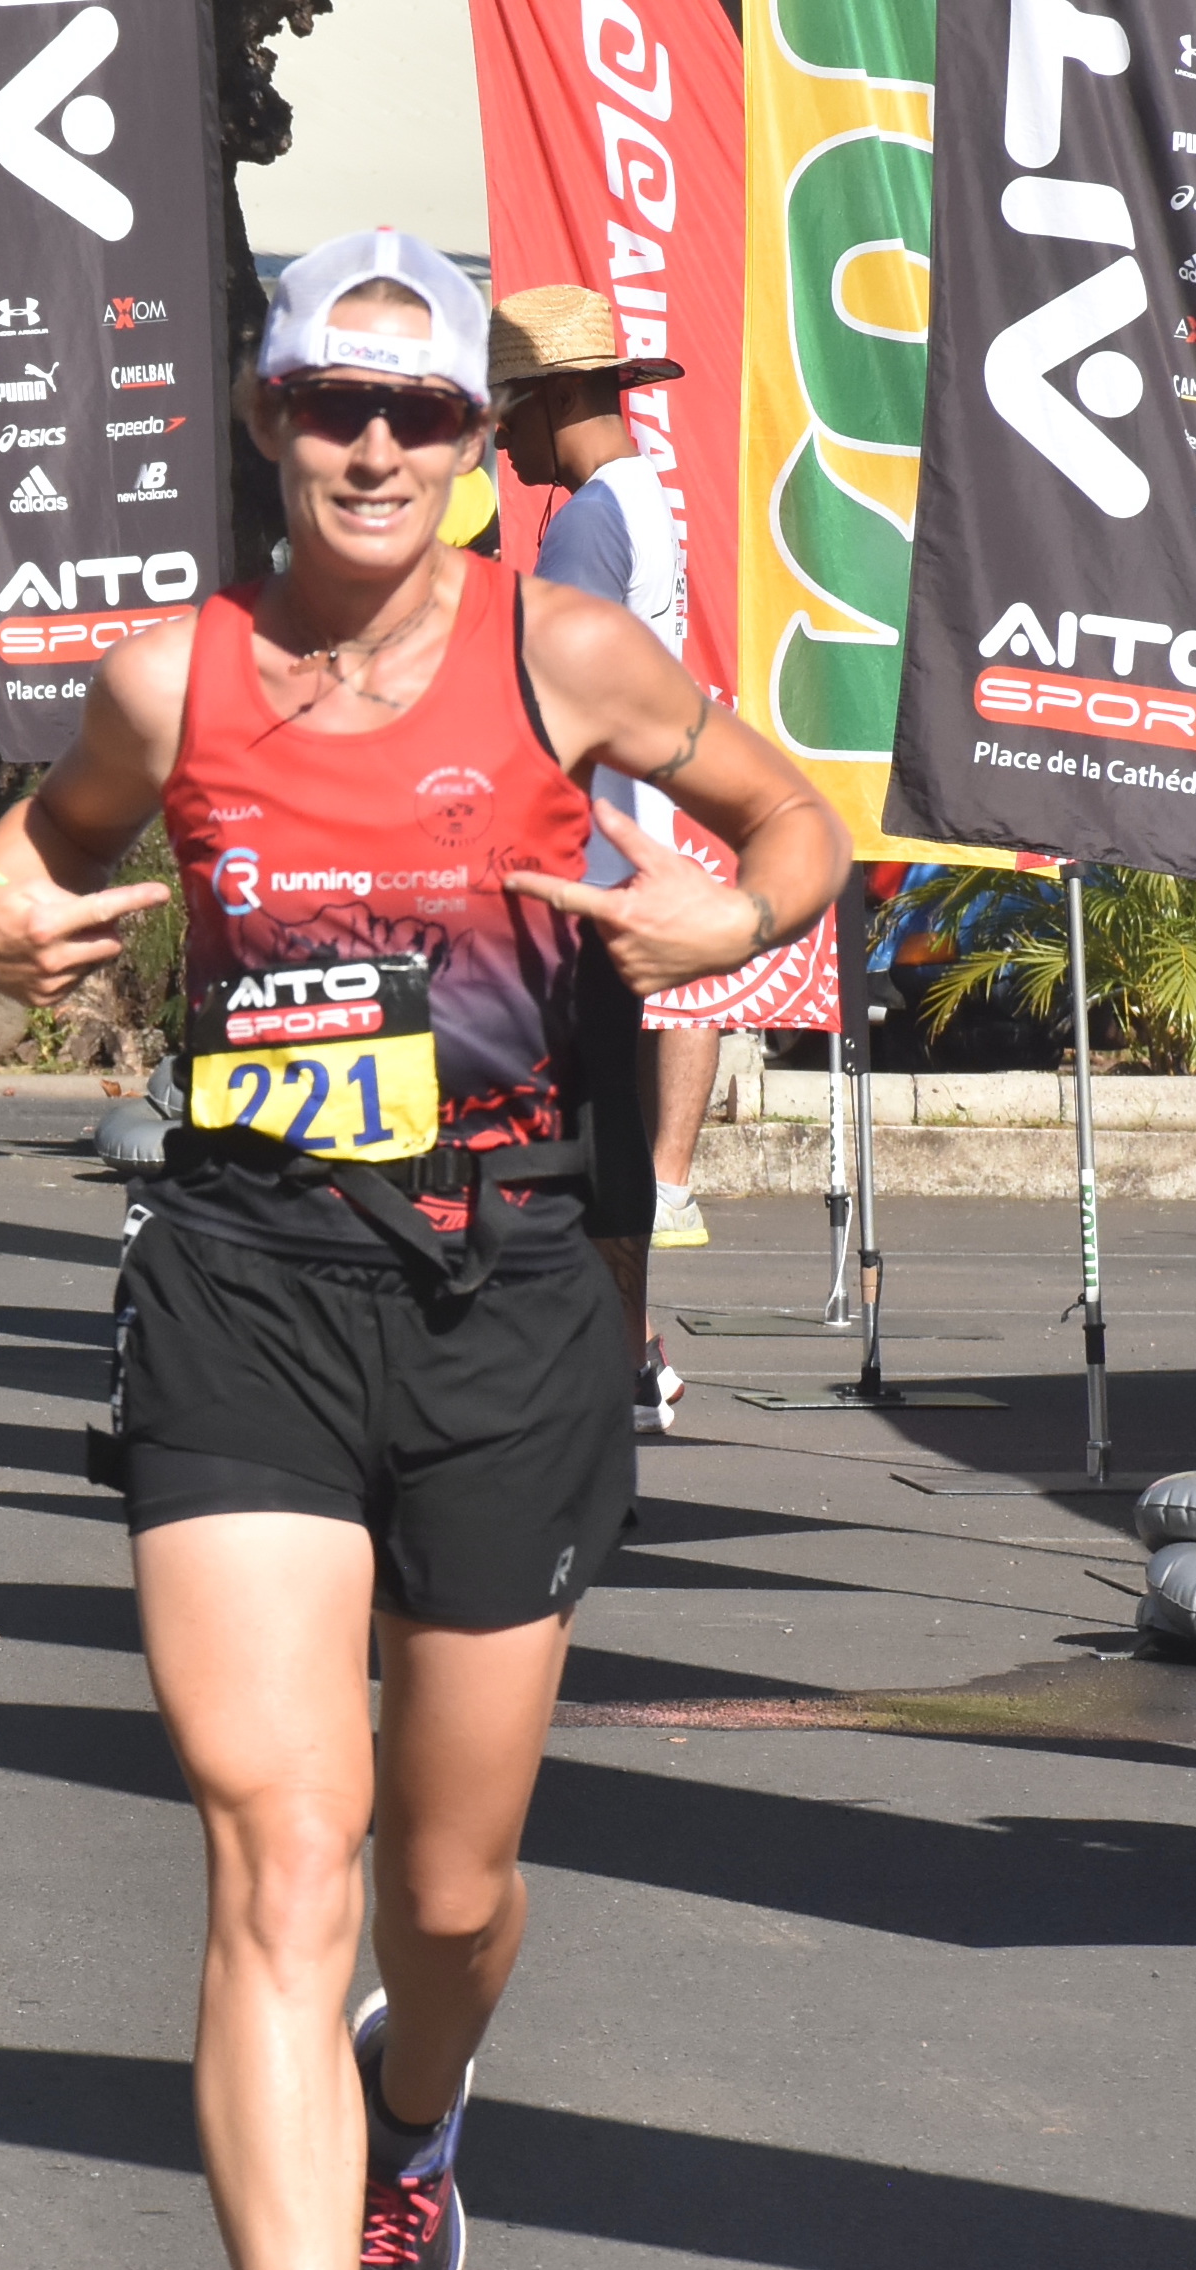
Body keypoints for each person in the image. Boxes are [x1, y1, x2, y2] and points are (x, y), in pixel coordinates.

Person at [0, 229, 848, 2270]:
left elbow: (792, 833)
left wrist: (714, 931)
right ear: (265, 420)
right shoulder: (174, 674)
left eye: (418, 413)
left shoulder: (567, 652)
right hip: (245, 1280)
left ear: (473, 448)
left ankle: (413, 2117)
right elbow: (24, 866)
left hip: (502, 1288)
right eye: (331, 405)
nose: (371, 447)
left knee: (442, 1897)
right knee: (278, 1848)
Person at [489, 282, 716, 1432]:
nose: (500, 436)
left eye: (510, 408)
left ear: (557, 395)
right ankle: (623, 1349)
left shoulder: (588, 518)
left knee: (571, 1123)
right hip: (624, 853)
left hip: (579, 860)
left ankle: (608, 1357)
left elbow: (548, 695)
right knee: (605, 1121)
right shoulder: (640, 494)